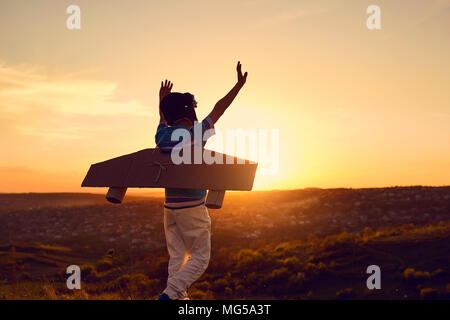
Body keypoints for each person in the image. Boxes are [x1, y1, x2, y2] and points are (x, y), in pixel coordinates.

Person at [155, 61, 248, 300]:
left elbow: (163, 121)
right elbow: (220, 108)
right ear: (190, 112)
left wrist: (162, 103)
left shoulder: (162, 135)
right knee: (201, 258)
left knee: (177, 257)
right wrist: (238, 86)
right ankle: (169, 296)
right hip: (192, 208)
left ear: (169, 114)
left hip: (169, 209)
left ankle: (178, 298)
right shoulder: (196, 135)